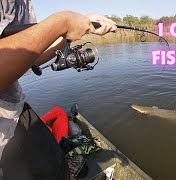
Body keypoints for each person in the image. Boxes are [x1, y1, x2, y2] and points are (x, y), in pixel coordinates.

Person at [0, 0, 117, 179]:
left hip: (16, 108)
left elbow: (33, 57)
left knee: (59, 169)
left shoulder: (23, 3)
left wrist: (69, 34)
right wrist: (60, 22)